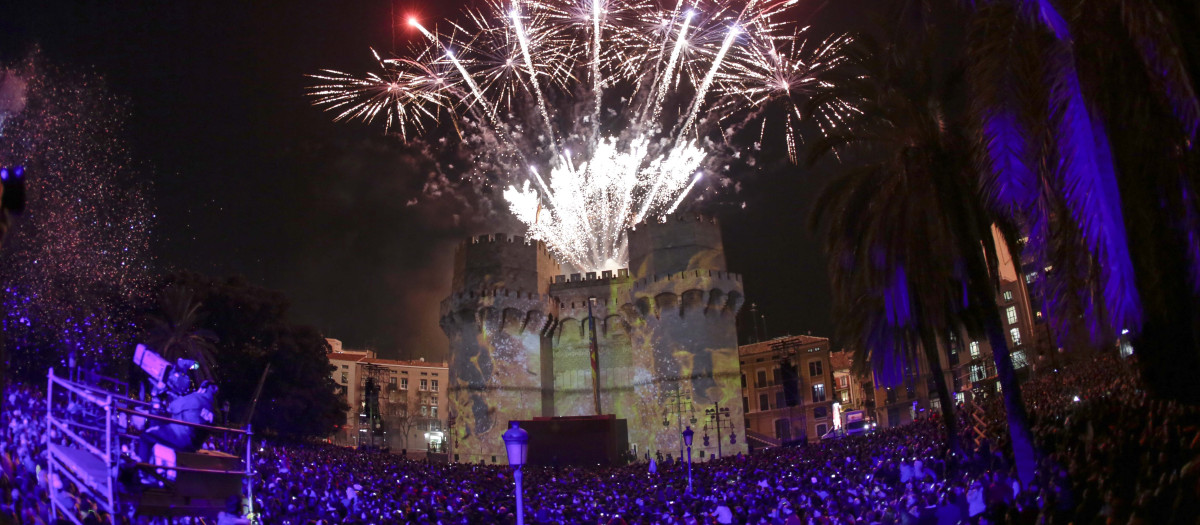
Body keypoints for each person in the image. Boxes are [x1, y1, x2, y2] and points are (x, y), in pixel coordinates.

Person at [137, 380, 219, 464]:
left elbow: (171, 408)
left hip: (179, 438)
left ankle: (142, 467)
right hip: (194, 446)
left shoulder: (195, 398)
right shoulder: (212, 410)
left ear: (203, 388)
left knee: (146, 435)